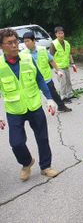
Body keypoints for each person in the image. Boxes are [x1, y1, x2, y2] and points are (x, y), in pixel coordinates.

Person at [0, 28, 58, 181]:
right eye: (9, 43)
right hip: (14, 110)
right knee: (16, 143)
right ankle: (26, 163)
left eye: (15, 42)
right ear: (1, 46)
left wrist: (49, 98)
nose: (14, 45)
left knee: (42, 138)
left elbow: (39, 79)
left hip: (34, 106)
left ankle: (46, 166)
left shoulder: (27, 59)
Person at [22, 32, 72, 112]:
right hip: (32, 81)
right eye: (25, 42)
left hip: (46, 78)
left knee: (53, 93)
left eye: (28, 41)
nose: (26, 43)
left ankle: (61, 106)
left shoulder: (42, 49)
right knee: (32, 97)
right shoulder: (23, 54)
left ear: (33, 41)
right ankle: (32, 112)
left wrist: (58, 70)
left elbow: (51, 60)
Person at [50, 26, 76, 103]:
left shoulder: (67, 43)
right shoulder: (53, 44)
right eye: (59, 33)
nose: (61, 35)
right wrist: (55, 69)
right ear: (56, 34)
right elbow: (51, 57)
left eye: (62, 33)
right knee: (63, 82)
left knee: (68, 81)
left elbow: (69, 54)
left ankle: (70, 94)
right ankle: (63, 97)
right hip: (59, 67)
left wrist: (73, 63)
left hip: (66, 66)